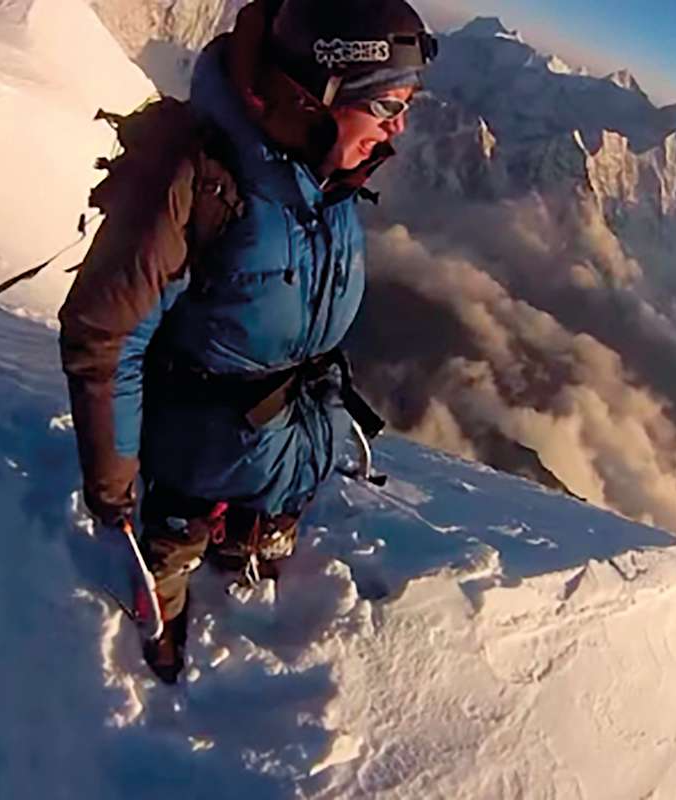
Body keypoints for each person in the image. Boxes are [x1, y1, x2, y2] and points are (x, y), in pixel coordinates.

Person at [58, 0, 437, 683]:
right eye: (387, 106)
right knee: (161, 606)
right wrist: (113, 498)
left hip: (286, 443)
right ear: (319, 96)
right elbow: (106, 336)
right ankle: (156, 636)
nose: (399, 129)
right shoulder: (201, 181)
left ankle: (249, 536)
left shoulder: (324, 175)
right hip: (195, 460)